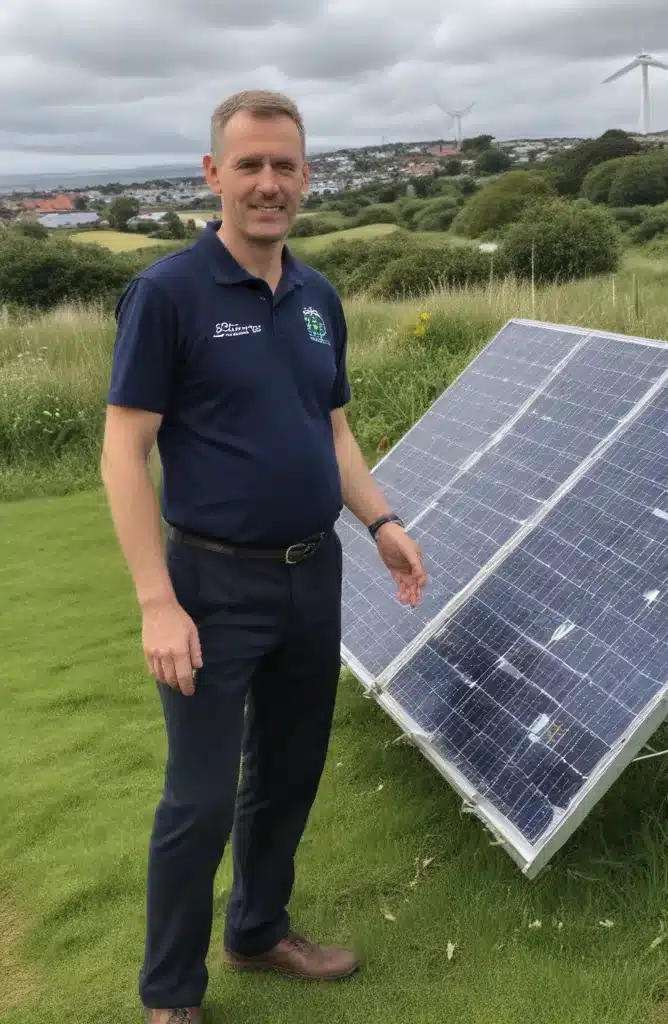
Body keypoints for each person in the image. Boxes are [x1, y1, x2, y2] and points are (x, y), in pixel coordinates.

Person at [100, 89, 428, 1024]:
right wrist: (157, 601)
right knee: (199, 800)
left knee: (288, 773)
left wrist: (380, 521)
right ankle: (170, 995)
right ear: (214, 175)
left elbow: (331, 430)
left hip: (308, 573)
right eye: (249, 165)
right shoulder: (167, 293)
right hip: (210, 584)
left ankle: (257, 930)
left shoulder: (319, 298)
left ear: (306, 176)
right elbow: (125, 451)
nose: (269, 182)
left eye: (285, 165)